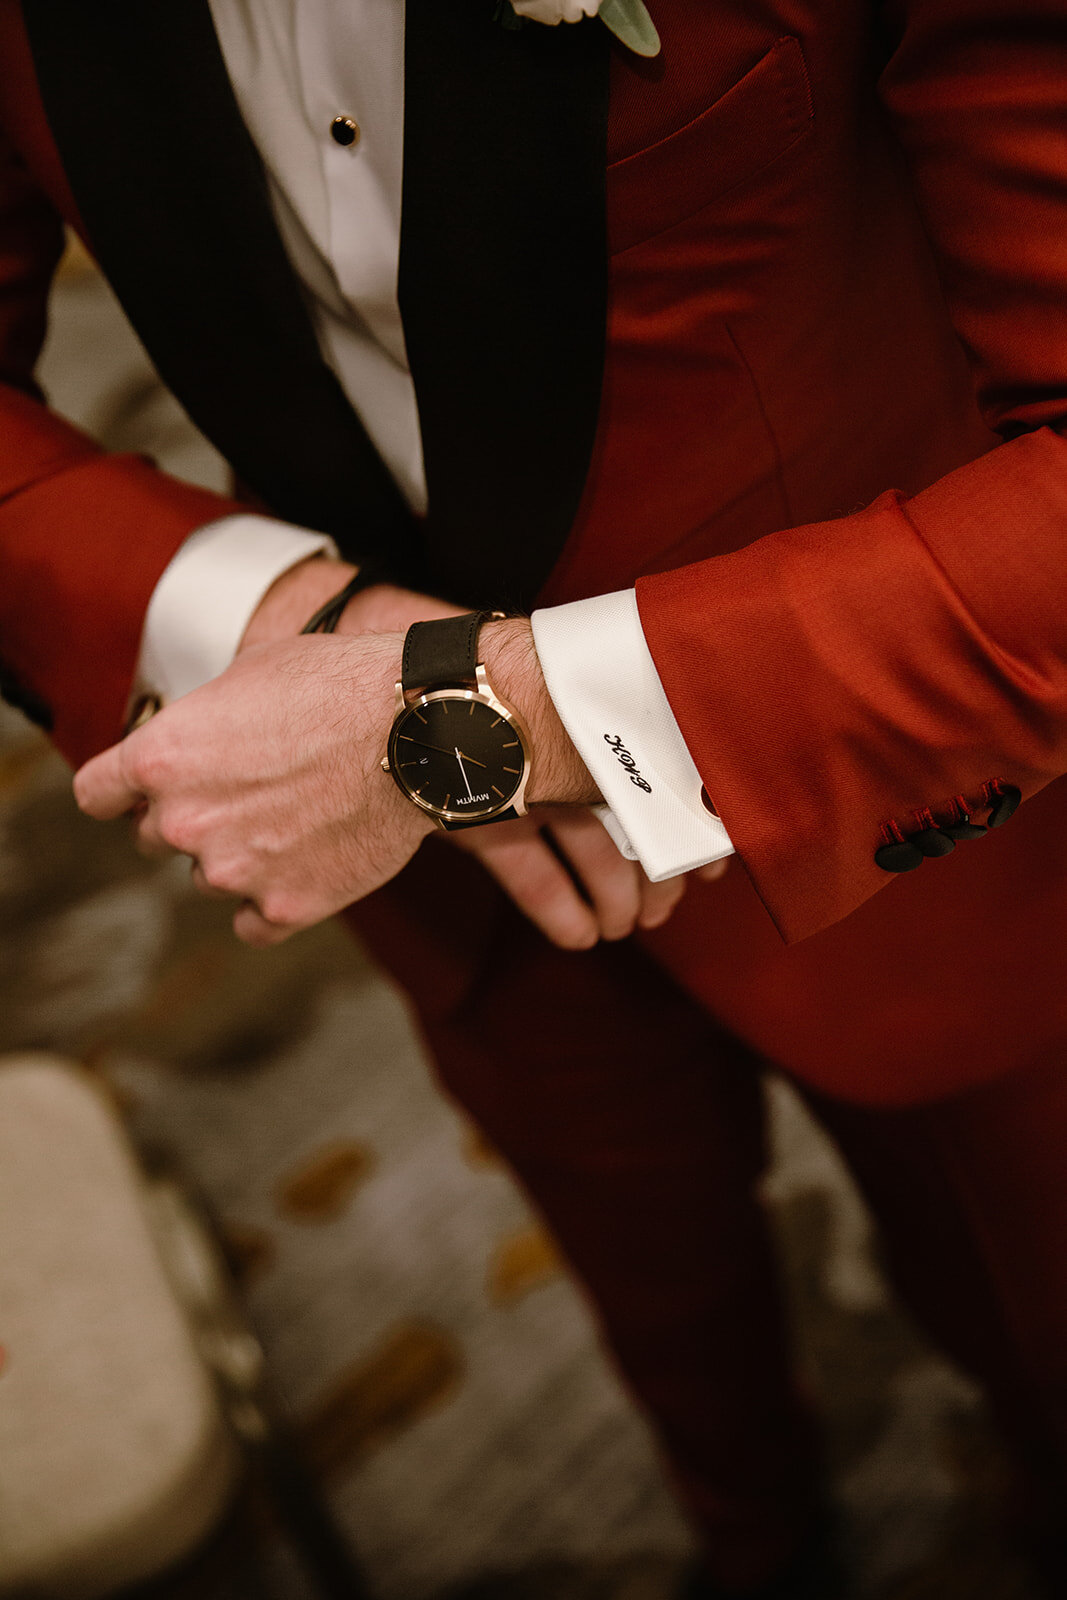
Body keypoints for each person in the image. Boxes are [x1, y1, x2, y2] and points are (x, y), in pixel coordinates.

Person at [2, 1, 1067, 1594]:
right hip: (397, 852)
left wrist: (479, 717)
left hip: (892, 790)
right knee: (659, 1298)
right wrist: (289, 626)